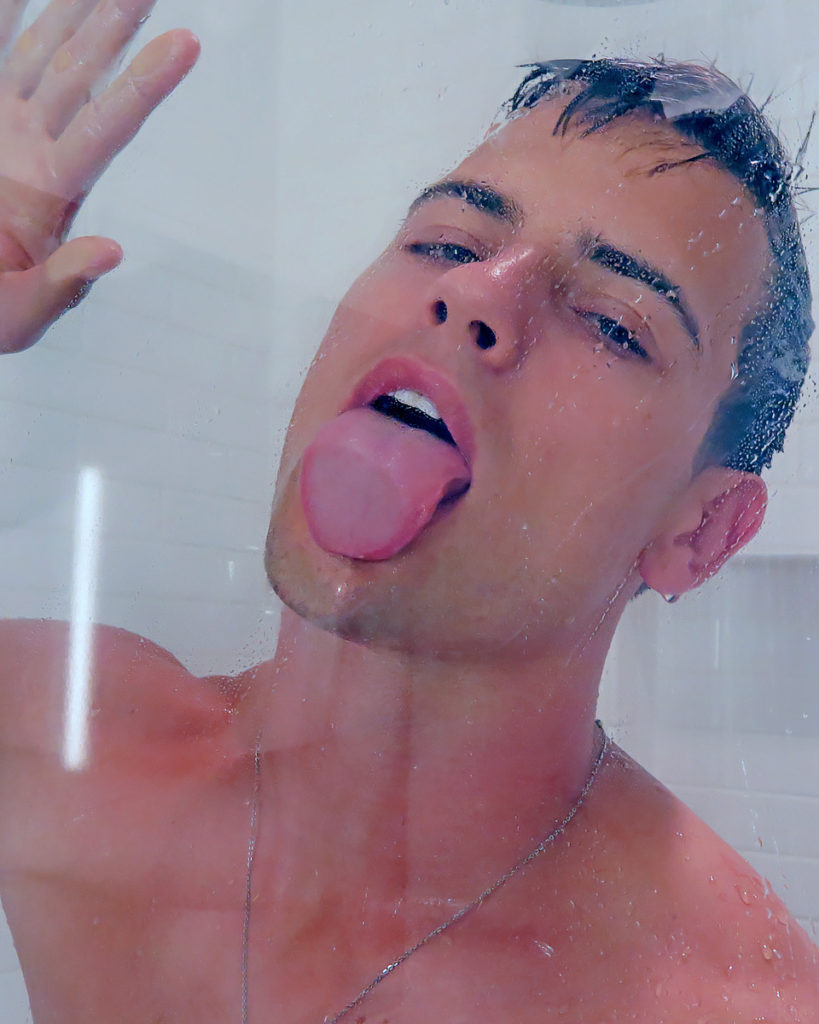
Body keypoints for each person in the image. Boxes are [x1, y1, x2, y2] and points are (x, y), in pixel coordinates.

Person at [0, 1, 816, 1021]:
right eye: (444, 242)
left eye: (612, 322)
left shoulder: (730, 1003)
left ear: (702, 531)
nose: (477, 293)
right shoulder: (48, 739)